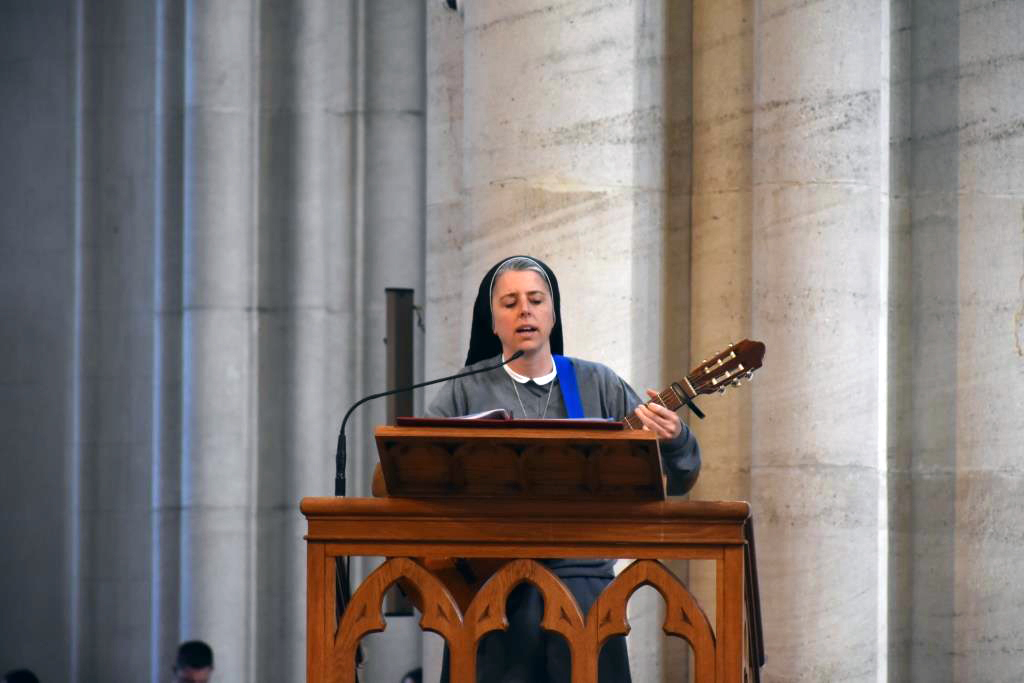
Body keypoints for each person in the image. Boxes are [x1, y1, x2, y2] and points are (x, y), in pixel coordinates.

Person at [428, 255, 701, 683]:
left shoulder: (597, 383)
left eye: (536, 300)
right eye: (510, 302)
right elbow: (412, 466)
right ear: (493, 322)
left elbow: (679, 478)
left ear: (553, 315)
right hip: (489, 582)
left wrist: (676, 438)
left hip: (582, 584)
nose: (525, 311)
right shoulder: (465, 389)